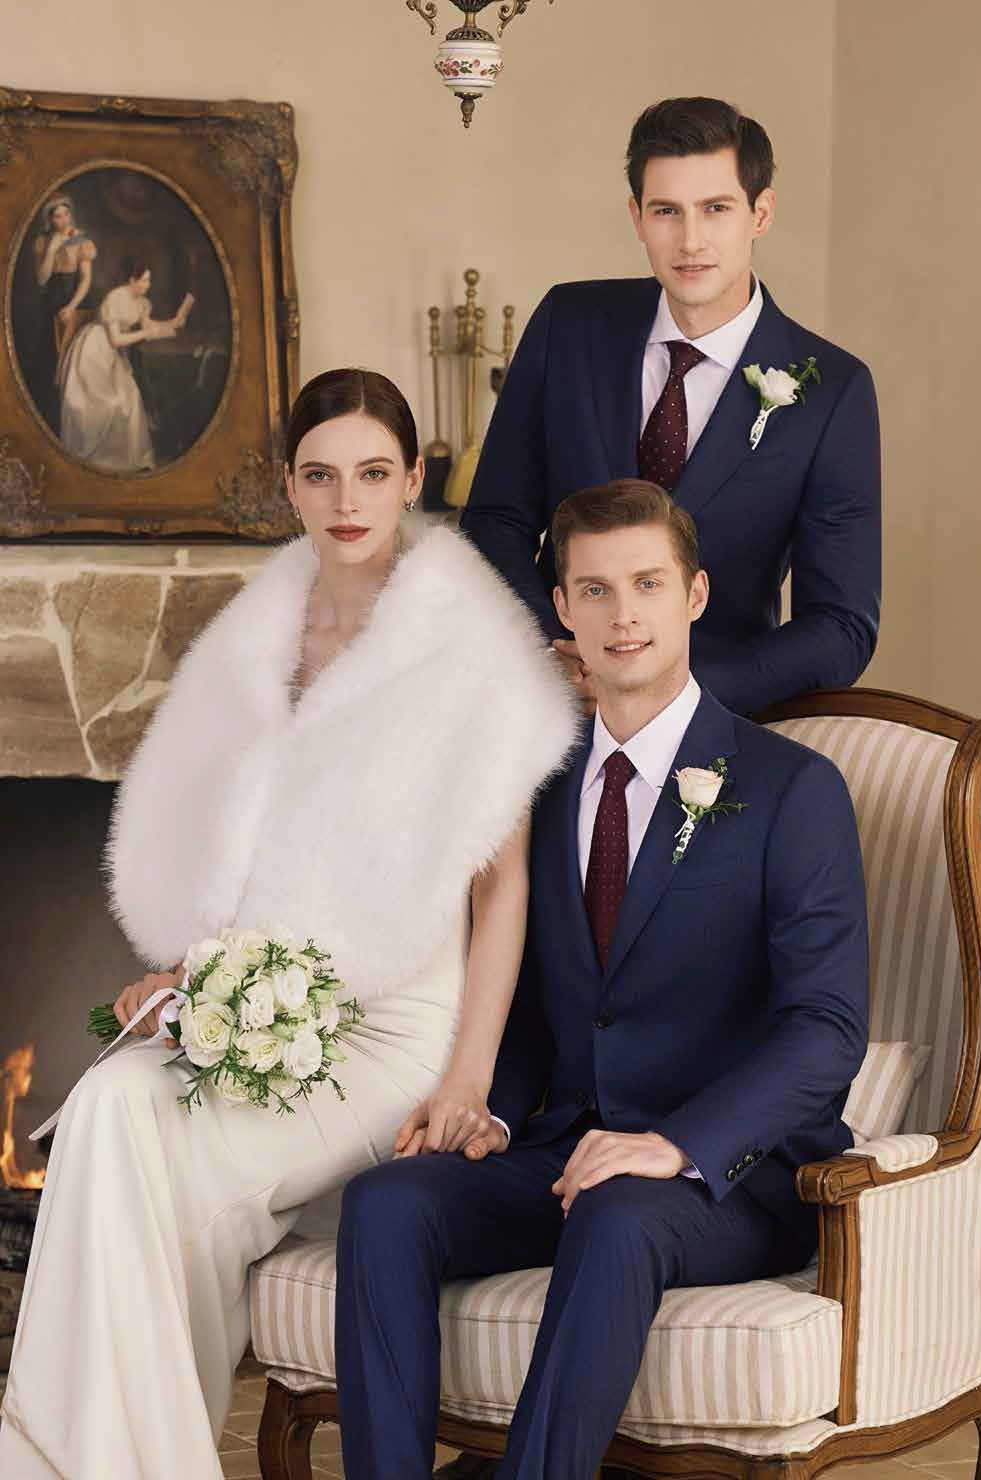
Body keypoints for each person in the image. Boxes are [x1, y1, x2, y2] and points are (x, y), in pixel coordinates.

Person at [0, 369, 579, 1479]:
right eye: (321, 475)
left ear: (414, 479)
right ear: (290, 488)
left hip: (395, 1034)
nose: (348, 499)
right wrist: (185, 973)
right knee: (111, 1103)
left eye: (373, 473)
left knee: (156, 1160)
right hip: (270, 1006)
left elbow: (497, 889)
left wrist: (465, 1078)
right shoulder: (256, 636)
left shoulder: (471, 653)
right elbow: (246, 850)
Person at [336, 480, 869, 1480]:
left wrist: (674, 1144)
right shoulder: (535, 780)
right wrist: (489, 1110)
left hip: (726, 1178)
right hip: (562, 1148)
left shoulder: (793, 788)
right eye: (594, 589)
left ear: (694, 595)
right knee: (386, 1201)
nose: (623, 613)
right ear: (564, 612)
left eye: (646, 584)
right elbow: (546, 1003)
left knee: (621, 1215)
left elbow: (826, 1028)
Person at [460, 97, 881, 718]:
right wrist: (561, 647)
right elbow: (495, 518)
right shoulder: (567, 325)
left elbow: (842, 623)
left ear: (760, 213)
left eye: (715, 209)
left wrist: (681, 694)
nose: (690, 241)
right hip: (546, 706)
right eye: (666, 211)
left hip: (713, 728)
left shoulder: (834, 391)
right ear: (636, 216)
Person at [58, 256, 190, 474]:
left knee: (130, 398)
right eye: (145, 280)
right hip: (93, 354)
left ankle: (130, 461)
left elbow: (149, 328)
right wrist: (144, 333)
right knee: (112, 403)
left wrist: (173, 323)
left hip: (113, 357)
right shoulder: (114, 299)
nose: (148, 285)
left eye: (149, 280)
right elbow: (115, 340)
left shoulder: (143, 303)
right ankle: (102, 460)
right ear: (131, 280)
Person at [31, 193, 98, 429]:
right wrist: (51, 250)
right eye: (58, 216)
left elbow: (86, 280)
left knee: (75, 362)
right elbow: (41, 280)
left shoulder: (81, 240)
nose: (64, 220)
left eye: (66, 213)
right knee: (51, 361)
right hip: (50, 304)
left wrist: (71, 307)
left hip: (77, 303)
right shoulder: (43, 241)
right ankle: (55, 424)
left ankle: (79, 424)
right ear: (50, 220)